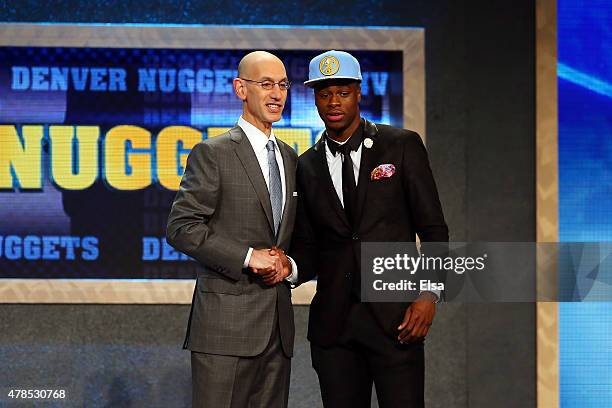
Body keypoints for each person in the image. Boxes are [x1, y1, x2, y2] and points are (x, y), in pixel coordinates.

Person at [289, 50, 449, 407]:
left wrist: (428, 295)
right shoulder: (306, 165)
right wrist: (288, 268)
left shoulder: (402, 145)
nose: (333, 101)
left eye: (342, 92)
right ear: (314, 98)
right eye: (324, 93)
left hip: (396, 320)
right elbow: (310, 246)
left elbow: (434, 229)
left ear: (359, 92)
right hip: (334, 329)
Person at [166, 51, 298, 408]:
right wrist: (246, 257)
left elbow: (290, 235)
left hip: (277, 330)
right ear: (241, 88)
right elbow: (182, 226)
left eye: (283, 85)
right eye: (266, 84)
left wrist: (289, 265)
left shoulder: (289, 157)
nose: (277, 94)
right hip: (225, 331)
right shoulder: (214, 153)